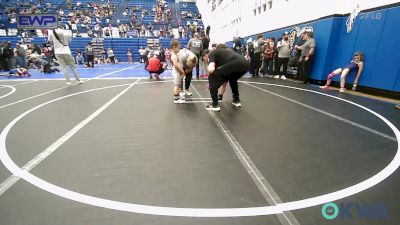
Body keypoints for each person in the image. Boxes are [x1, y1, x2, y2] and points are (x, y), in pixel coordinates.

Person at [205, 44, 249, 111]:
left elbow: (211, 68)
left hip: (236, 64)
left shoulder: (213, 53)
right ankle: (236, 100)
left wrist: (211, 83)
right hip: (245, 64)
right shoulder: (228, 54)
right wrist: (218, 88)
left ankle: (215, 105)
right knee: (232, 79)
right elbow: (225, 77)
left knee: (212, 76)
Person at [170, 39, 186, 104]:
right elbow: (176, 65)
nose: (179, 49)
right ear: (174, 47)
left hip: (178, 72)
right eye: (178, 48)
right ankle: (176, 99)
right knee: (176, 85)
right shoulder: (174, 55)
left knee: (179, 84)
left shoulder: (176, 54)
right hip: (177, 72)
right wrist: (182, 71)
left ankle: (178, 96)